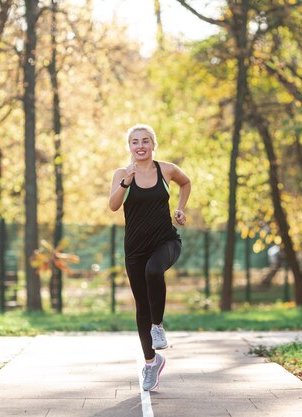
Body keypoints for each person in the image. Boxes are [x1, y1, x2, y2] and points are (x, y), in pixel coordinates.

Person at [108, 124, 191, 391]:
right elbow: (113, 205)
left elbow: (186, 182)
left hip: (166, 241)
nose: (140, 146)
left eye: (145, 141)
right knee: (141, 306)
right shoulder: (123, 174)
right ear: (129, 147)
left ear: (153, 144)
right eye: (135, 142)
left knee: (154, 271)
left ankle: (158, 326)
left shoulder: (165, 169)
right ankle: (151, 362)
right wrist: (126, 182)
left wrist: (179, 209)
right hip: (134, 249)